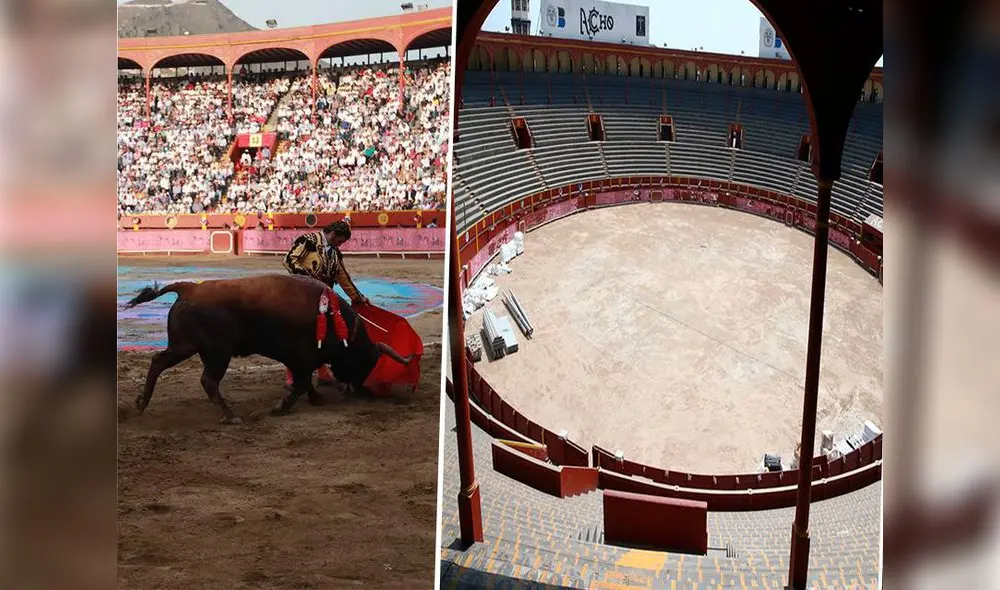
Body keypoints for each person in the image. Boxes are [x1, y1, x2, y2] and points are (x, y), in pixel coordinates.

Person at [281, 220, 412, 388]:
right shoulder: (308, 240)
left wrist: (358, 297)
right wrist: (311, 280)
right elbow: (289, 260)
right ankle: (291, 376)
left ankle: (322, 373)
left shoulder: (335, 253)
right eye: (340, 241)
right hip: (300, 296)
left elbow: (343, 278)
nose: (340, 244)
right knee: (299, 335)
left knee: (324, 335)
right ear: (333, 235)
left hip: (323, 300)